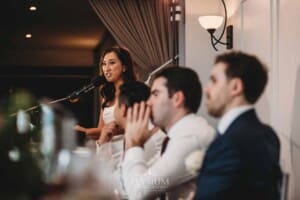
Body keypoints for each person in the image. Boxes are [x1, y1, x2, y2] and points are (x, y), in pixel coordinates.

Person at [194, 51, 282, 200]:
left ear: (235, 87)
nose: (206, 89)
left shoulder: (230, 144)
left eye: (214, 81)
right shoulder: (269, 134)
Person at [121, 67, 216, 200]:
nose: (148, 102)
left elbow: (139, 193)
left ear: (177, 98)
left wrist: (134, 144)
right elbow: (135, 182)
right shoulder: (178, 135)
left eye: (155, 94)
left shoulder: (190, 137)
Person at [74, 46, 136, 164]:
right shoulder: (107, 96)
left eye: (112, 63)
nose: (106, 69)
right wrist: (82, 131)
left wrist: (86, 131)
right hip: (106, 151)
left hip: (125, 152)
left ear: (124, 67)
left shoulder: (133, 93)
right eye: (104, 64)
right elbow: (101, 129)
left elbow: (127, 127)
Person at [112, 81, 166, 198]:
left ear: (122, 109)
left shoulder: (148, 138)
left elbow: (129, 189)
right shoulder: (135, 132)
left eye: (115, 104)